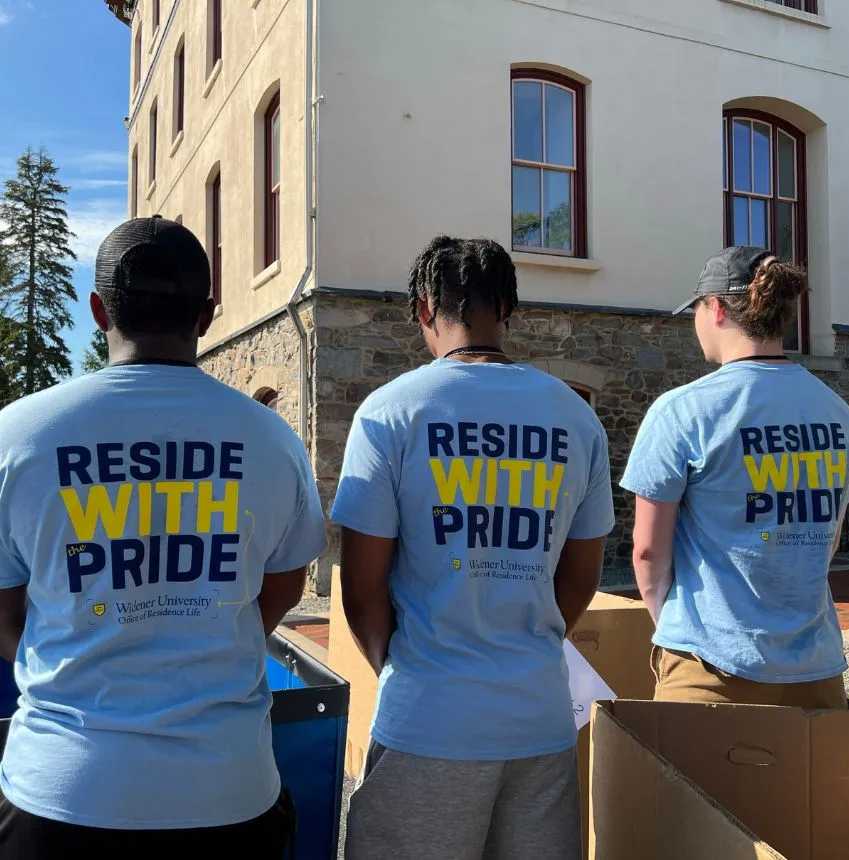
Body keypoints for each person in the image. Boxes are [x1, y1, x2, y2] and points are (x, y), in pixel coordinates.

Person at [0, 216, 327, 856]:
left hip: (61, 794)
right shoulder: (271, 440)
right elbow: (284, 589)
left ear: (97, 310)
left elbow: (3, 613)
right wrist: (205, 633)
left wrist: (84, 644)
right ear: (208, 314)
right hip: (225, 793)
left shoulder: (18, 436)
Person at [331, 236, 615, 860]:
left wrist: (402, 670)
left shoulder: (391, 412)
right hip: (538, 720)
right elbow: (581, 576)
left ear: (425, 311)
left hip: (428, 718)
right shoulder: (575, 417)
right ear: (508, 308)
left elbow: (361, 587)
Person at [621, 246, 849, 708]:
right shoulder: (839, 414)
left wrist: (676, 628)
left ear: (714, 308)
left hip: (708, 669)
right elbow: (827, 538)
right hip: (816, 670)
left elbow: (648, 552)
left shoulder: (683, 410)